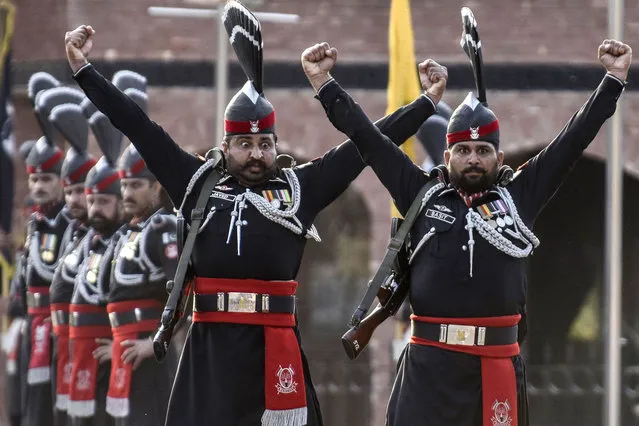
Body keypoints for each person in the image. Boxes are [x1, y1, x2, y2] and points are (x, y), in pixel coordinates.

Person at [63, 2, 447, 423]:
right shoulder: (195, 182)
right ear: (225, 147)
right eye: (244, 145)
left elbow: (370, 143)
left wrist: (426, 104)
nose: (257, 154)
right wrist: (84, 70)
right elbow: (135, 124)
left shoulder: (301, 188)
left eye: (265, 144)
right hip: (208, 357)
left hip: (275, 355)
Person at [314, 37, 631, 425]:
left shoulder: (521, 197)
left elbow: (573, 137)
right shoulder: (419, 192)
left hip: (494, 369)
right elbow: (368, 138)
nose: (473, 159)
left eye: (483, 151)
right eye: (463, 150)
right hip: (426, 373)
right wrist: (324, 84)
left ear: (499, 157)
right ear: (447, 157)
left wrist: (613, 79)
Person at [104, 77, 179, 425]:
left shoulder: (163, 227)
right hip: (125, 354)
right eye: (124, 186)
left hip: (151, 358)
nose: (128, 193)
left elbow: (183, 293)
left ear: (156, 186)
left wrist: (156, 343)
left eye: (136, 185)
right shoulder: (127, 232)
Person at [13, 72, 79, 426]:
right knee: (28, 403)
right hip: (32, 323)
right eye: (33, 178)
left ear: (62, 181)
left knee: (56, 405)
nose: (38, 186)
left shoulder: (70, 223)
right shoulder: (35, 221)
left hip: (60, 326)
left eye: (46, 179)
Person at [66, 108, 124, 426]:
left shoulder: (126, 242)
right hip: (82, 355)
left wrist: (125, 340)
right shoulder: (93, 240)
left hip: (113, 357)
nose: (95, 209)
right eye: (92, 201)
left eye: (104, 201)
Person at [49, 101, 96, 424]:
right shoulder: (72, 231)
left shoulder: (102, 235)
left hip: (94, 347)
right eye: (71, 192)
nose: (77, 201)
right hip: (64, 340)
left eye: (84, 192)